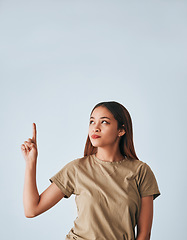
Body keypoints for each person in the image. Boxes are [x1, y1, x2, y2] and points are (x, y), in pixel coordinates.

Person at [21, 101, 161, 240]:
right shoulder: (76, 168)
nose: (95, 128)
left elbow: (144, 234)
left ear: (121, 130)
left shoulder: (141, 171)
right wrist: (30, 162)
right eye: (92, 122)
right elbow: (32, 209)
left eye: (104, 122)